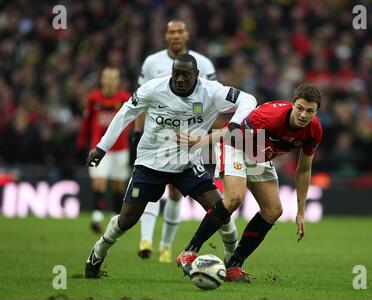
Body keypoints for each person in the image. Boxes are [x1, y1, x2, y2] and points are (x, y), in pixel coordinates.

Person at [84, 53, 257, 279]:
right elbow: (125, 114)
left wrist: (234, 124)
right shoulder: (153, 89)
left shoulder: (211, 91)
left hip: (186, 163)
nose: (180, 79)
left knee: (221, 212)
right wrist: (101, 148)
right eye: (176, 74)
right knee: (127, 219)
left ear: (196, 74)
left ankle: (233, 263)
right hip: (150, 162)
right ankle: (96, 255)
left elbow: (249, 100)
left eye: (186, 74)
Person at [176, 84, 323, 283]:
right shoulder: (268, 117)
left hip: (260, 155)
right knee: (235, 198)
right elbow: (231, 131)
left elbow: (304, 170)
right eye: (300, 108)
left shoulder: (314, 131)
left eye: (310, 111)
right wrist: (201, 142)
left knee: (273, 211)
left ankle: (234, 265)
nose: (303, 115)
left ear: (316, 112)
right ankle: (189, 252)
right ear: (292, 104)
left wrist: (300, 212)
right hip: (236, 144)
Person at [132, 19, 223, 263]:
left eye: (180, 31)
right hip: (158, 137)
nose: (175, 35)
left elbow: (212, 103)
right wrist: (136, 132)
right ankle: (146, 239)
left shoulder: (203, 63)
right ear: (165, 36)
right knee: (151, 188)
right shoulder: (152, 62)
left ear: (187, 34)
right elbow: (141, 102)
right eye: (171, 31)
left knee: (174, 193)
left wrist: (205, 139)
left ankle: (165, 246)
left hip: (189, 140)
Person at [77, 67, 131, 233]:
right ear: (102, 80)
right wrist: (81, 142)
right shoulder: (93, 98)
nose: (109, 81)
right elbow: (87, 122)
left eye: (113, 78)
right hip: (98, 147)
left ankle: (115, 219)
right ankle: (97, 217)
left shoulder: (125, 98)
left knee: (117, 185)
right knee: (99, 181)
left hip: (121, 148)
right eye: (107, 77)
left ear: (118, 81)